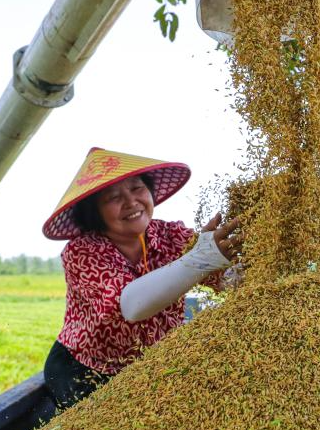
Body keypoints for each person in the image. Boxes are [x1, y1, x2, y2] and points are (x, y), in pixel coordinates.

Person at [40, 147, 241, 409]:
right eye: (113, 197)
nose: (131, 202)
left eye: (137, 189)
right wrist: (200, 258)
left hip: (150, 364)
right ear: (95, 212)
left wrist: (241, 255)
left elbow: (226, 279)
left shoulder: (172, 236)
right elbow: (132, 306)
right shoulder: (83, 252)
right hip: (88, 369)